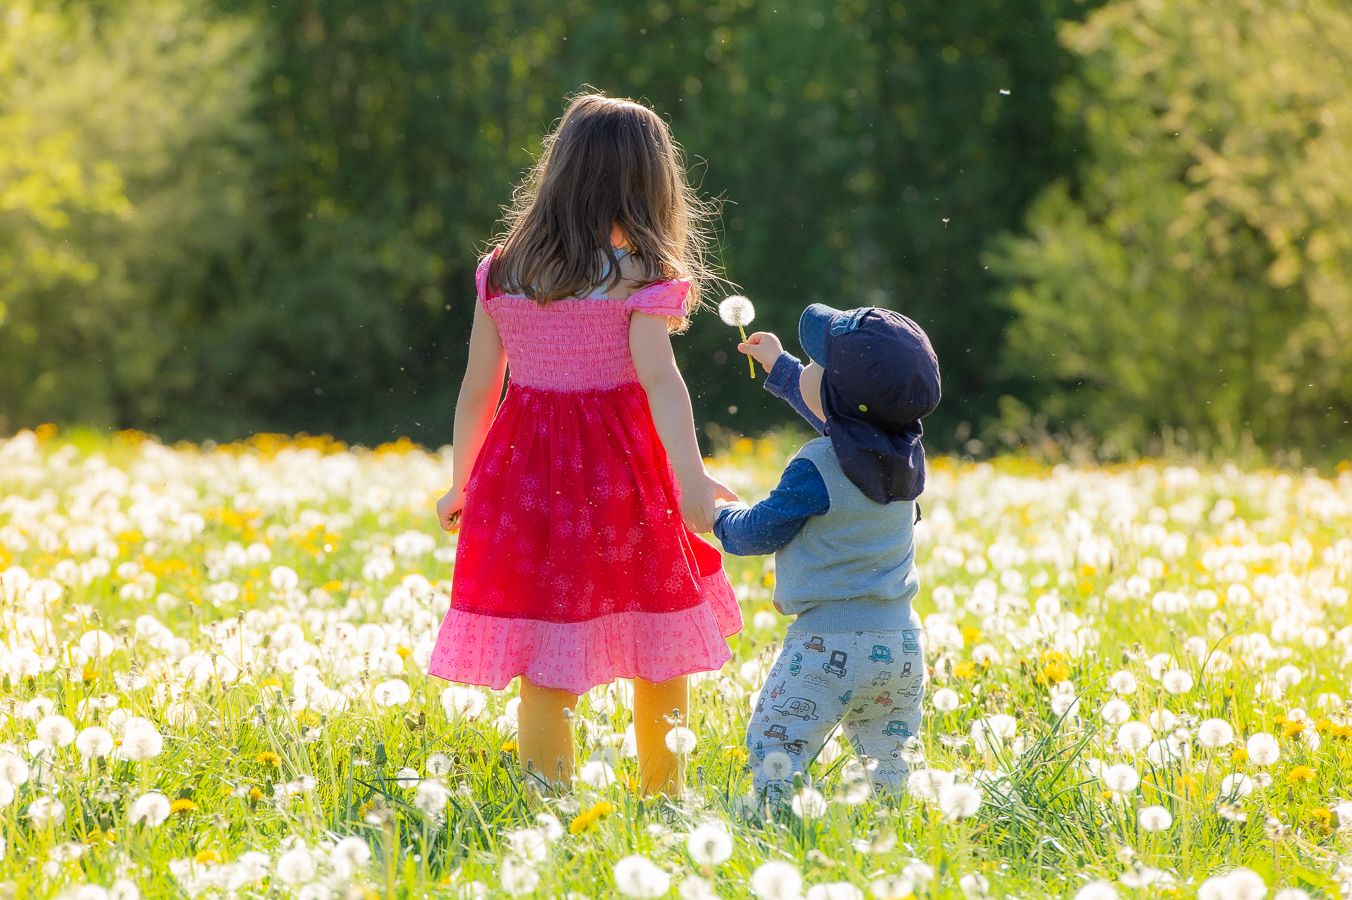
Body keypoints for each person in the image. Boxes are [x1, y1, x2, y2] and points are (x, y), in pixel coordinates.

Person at [429, 93, 742, 797]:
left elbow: (479, 387)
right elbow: (661, 381)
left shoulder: (504, 271)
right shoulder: (641, 278)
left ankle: (549, 800)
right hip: (623, 477)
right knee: (659, 645)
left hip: (525, 479)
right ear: (648, 186)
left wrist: (463, 480)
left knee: (546, 650)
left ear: (561, 172)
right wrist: (691, 480)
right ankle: (665, 796)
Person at [714, 303, 940, 800]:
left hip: (826, 648)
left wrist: (717, 517)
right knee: (890, 769)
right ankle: (894, 846)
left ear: (836, 397)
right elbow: (843, 414)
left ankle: (766, 834)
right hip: (901, 646)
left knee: (776, 752)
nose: (809, 370)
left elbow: (755, 534)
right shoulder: (905, 455)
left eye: (817, 366)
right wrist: (782, 367)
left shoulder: (817, 466)